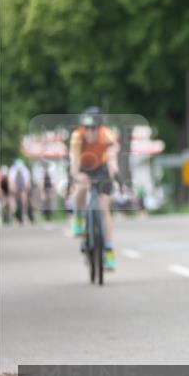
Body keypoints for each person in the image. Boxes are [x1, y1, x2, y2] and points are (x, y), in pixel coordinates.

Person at [69, 108, 121, 270]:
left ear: (99, 127)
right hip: (84, 166)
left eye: (93, 128)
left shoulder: (107, 135)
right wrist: (77, 176)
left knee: (104, 208)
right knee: (82, 187)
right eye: (86, 127)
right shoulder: (77, 137)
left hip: (101, 167)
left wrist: (115, 173)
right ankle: (78, 217)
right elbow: (74, 162)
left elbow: (112, 158)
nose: (89, 131)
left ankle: (109, 250)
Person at [8, 159, 33, 224]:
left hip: (22, 187)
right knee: (13, 202)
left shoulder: (25, 170)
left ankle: (25, 216)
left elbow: (27, 181)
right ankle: (14, 217)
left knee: (24, 201)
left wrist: (26, 189)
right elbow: (11, 181)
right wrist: (13, 189)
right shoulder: (12, 170)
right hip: (15, 186)